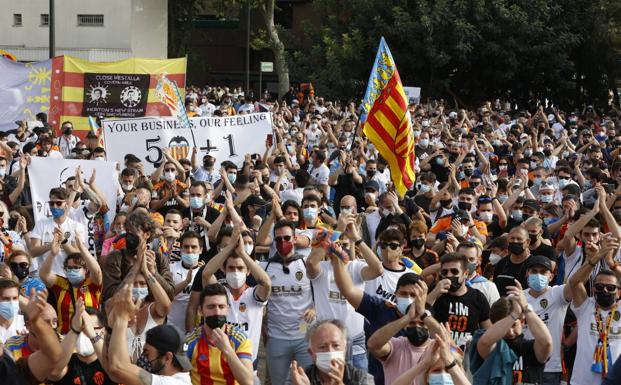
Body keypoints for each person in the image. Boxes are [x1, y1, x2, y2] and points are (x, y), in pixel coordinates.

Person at [259, 220, 314, 385]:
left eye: (287, 238)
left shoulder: (307, 264)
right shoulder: (265, 267)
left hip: (305, 336)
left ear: (295, 238)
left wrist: (315, 309)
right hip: (277, 338)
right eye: (278, 239)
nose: (282, 242)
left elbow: (321, 294)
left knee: (309, 382)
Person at [105, 285, 193, 385]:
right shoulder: (176, 377)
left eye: (147, 353)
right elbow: (116, 375)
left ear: (167, 358)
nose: (143, 357)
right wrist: (111, 329)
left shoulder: (172, 383)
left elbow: (118, 367)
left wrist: (121, 318)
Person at [367, 277, 445, 385]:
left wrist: (423, 312)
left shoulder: (437, 349)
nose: (417, 327)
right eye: (412, 323)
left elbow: (449, 344)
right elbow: (372, 345)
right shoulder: (396, 345)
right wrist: (407, 318)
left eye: (422, 323)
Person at [472, 281, 553, 385]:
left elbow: (547, 343)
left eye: (514, 325)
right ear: (495, 325)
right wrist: (514, 314)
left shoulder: (531, 348)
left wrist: (526, 307)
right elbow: (485, 342)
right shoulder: (493, 348)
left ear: (522, 322)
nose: (510, 332)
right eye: (506, 326)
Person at [567, 234, 621, 384]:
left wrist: (611, 263)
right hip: (582, 381)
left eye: (610, 287)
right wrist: (597, 257)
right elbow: (574, 282)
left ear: (618, 292)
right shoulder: (586, 305)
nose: (604, 290)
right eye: (599, 286)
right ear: (594, 289)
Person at [185, 283, 254, 385]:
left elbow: (248, 382)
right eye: (211, 307)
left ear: (227, 309)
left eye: (221, 307)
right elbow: (179, 378)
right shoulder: (190, 341)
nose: (217, 312)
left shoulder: (239, 338)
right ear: (200, 311)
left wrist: (227, 349)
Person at [102, 210, 174, 301]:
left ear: (147, 234)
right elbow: (110, 294)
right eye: (127, 231)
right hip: (123, 312)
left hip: (150, 312)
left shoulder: (159, 259)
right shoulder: (115, 257)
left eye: (133, 232)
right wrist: (136, 266)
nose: (128, 235)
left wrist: (153, 272)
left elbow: (170, 295)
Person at [39, 231, 102, 335]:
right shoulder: (60, 283)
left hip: (90, 337)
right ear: (65, 270)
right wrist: (52, 254)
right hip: (65, 337)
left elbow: (97, 272)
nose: (73, 270)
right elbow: (44, 275)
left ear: (85, 270)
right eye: (70, 268)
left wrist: (82, 248)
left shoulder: (92, 283)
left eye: (77, 268)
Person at [523, 255, 573, 385]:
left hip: (550, 368)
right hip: (522, 365)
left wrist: (591, 261)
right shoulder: (518, 296)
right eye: (534, 271)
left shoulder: (558, 294)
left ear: (551, 276)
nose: (538, 275)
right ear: (527, 274)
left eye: (543, 272)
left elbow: (576, 282)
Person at [427, 252, 492, 349]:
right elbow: (419, 315)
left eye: (454, 271)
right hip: (438, 351)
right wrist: (434, 294)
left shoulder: (478, 297)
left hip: (467, 354)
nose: (449, 275)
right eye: (445, 272)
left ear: (465, 274)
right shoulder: (434, 292)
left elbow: (488, 331)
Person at [0, 288, 63, 385]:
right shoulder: (12, 346)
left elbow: (52, 356)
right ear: (28, 325)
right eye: (45, 322)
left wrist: (37, 321)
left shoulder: (11, 368)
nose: (50, 327)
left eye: (54, 321)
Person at [47, 299, 115, 385]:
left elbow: (115, 370)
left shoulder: (112, 360)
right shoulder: (66, 363)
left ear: (103, 331)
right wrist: (75, 330)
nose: (83, 334)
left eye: (88, 329)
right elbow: (54, 371)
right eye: (79, 330)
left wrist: (92, 335)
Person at [290, 319, 374, 385]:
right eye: (322, 347)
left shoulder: (361, 378)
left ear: (345, 348)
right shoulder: (302, 378)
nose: (330, 351)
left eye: (336, 345)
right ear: (311, 353)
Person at [28, 187, 87, 276]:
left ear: (67, 204)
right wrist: (50, 245)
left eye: (59, 203)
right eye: (51, 203)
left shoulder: (76, 226)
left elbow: (77, 256)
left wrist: (63, 241)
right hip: (45, 278)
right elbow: (33, 252)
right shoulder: (41, 224)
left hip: (68, 278)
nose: (54, 206)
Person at [493, 226, 532, 296]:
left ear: (528, 242)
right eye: (512, 238)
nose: (515, 241)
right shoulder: (501, 264)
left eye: (519, 239)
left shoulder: (534, 264)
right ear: (508, 241)